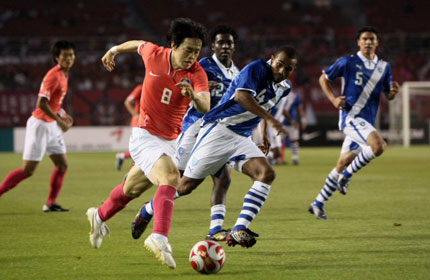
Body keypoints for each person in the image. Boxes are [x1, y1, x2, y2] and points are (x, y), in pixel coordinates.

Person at [142, 45, 298, 249]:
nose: (281, 72)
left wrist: (265, 133)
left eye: (288, 69)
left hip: (241, 137)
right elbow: (242, 97)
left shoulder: (284, 88)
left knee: (266, 174)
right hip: (219, 129)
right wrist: (271, 119)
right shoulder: (256, 69)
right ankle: (148, 210)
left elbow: (264, 106)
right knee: (186, 185)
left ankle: (239, 228)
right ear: (272, 59)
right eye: (279, 65)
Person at [85, 18, 209, 269]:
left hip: (171, 141)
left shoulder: (196, 72)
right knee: (172, 178)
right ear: (174, 45)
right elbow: (137, 44)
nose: (192, 56)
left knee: (131, 189)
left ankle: (98, 216)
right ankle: (159, 237)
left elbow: (205, 104)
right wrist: (114, 50)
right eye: (188, 50)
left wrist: (193, 96)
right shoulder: (154, 54)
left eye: (197, 51)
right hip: (145, 135)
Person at [131, 24, 240, 242]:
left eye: (229, 43)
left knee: (224, 178)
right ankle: (148, 208)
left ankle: (215, 228)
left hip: (216, 133)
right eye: (220, 43)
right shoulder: (202, 66)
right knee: (181, 182)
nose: (225, 47)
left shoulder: (236, 73)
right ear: (213, 46)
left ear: (234, 46)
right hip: (193, 130)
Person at [309, 26, 399, 220]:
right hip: (351, 118)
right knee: (378, 145)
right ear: (358, 42)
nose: (368, 42)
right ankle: (347, 177)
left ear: (377, 43)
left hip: (366, 122)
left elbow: (388, 94)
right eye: (365, 39)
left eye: (372, 39)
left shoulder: (384, 67)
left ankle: (318, 202)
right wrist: (333, 100)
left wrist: (392, 93)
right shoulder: (347, 62)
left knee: (342, 163)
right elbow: (323, 78)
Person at [0, 41, 75, 212]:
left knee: (62, 165)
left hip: (51, 125)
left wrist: (62, 114)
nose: (69, 58)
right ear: (57, 57)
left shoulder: (64, 74)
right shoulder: (53, 76)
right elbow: (41, 103)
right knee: (28, 171)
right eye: (65, 55)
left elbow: (53, 102)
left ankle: (50, 203)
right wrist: (60, 121)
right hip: (40, 125)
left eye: (71, 55)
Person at [115, 83, 142, 170]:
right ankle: (133, 172)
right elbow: (127, 102)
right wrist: (136, 115)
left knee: (142, 147)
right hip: (138, 123)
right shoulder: (140, 88)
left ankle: (122, 156)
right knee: (139, 147)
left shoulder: (156, 88)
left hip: (149, 122)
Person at [280, 90, 307, 165]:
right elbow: (299, 109)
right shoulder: (286, 95)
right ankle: (279, 158)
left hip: (288, 122)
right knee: (281, 141)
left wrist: (302, 119)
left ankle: (295, 159)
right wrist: (302, 120)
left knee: (293, 140)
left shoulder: (293, 95)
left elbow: (299, 108)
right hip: (283, 122)